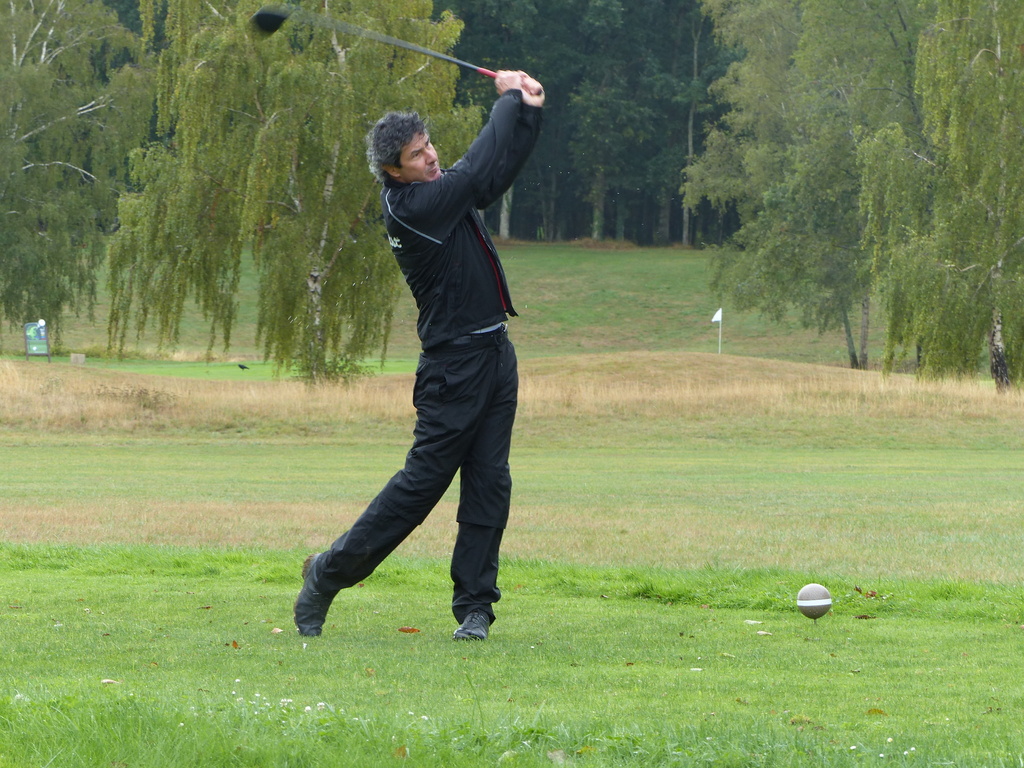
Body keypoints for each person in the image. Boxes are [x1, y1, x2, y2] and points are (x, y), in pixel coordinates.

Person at [294, 70, 545, 641]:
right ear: (393, 171)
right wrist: (508, 99)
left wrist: (528, 113)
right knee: (419, 489)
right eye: (416, 154)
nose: (431, 156)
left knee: (490, 483)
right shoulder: (412, 207)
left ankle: (475, 608)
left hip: (494, 356)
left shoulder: (437, 190)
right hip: (452, 370)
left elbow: (489, 180)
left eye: (429, 144)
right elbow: (475, 171)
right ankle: (327, 574)